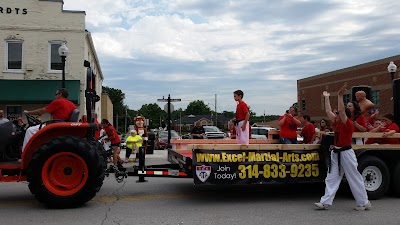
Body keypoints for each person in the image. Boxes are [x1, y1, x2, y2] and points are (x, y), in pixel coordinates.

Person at [314, 84, 371, 211]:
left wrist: (340, 95)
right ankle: (325, 202)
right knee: (332, 177)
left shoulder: (348, 123)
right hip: (336, 152)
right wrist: (327, 98)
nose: (335, 115)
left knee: (354, 177)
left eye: (338, 114)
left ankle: (364, 202)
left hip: (346, 153)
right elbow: (328, 111)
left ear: (343, 115)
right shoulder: (337, 122)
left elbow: (340, 111)